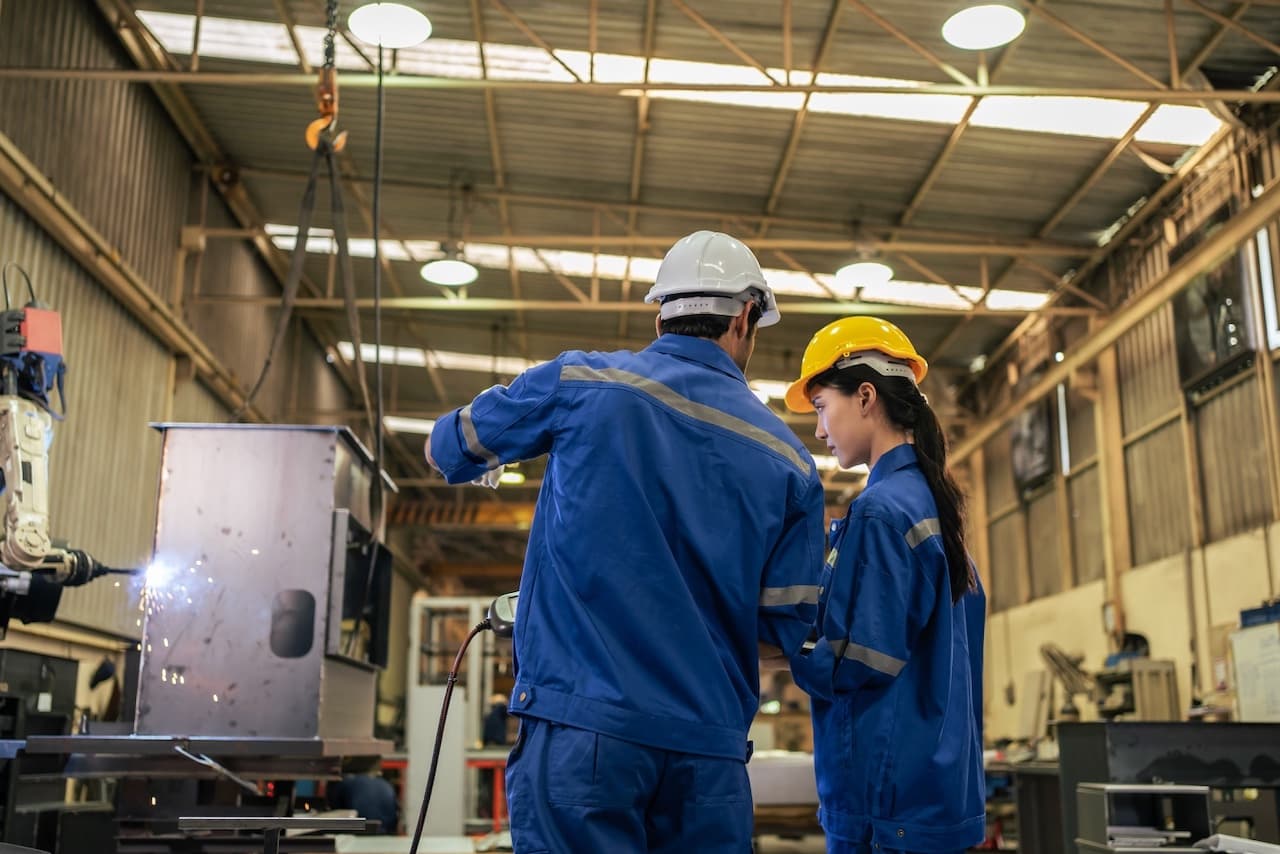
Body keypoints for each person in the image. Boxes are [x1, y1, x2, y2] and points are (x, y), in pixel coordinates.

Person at [426, 230, 826, 853]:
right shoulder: (791, 462)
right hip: (709, 759)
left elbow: (448, 447)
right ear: (747, 316)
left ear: (660, 311)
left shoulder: (581, 382)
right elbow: (782, 635)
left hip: (584, 738)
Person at [782, 316, 986, 854]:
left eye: (823, 406)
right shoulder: (934, 508)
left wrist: (785, 636)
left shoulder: (881, 511)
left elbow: (858, 661)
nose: (819, 430)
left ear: (866, 396)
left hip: (886, 810)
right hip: (935, 801)